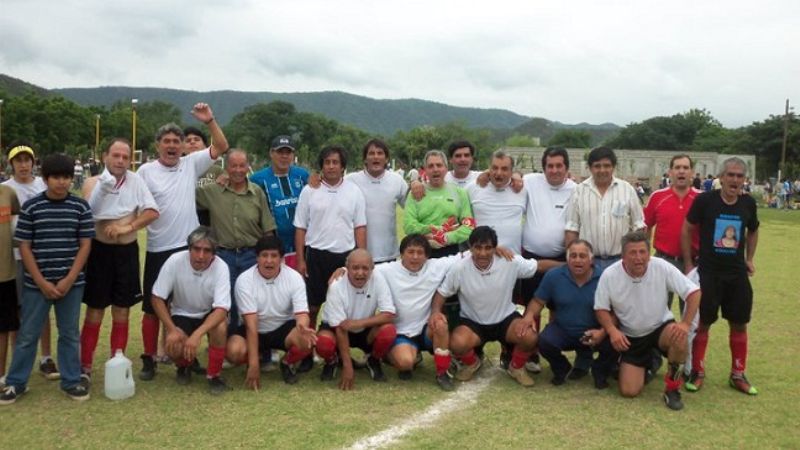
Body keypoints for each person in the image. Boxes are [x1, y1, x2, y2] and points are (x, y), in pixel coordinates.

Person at [137, 103, 229, 381]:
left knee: (186, 305)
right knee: (153, 308)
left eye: (177, 141)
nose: (173, 146)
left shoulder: (190, 164)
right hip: (157, 246)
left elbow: (222, 146)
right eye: (167, 141)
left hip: (188, 246)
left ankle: (184, 358)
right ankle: (150, 358)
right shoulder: (145, 171)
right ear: (157, 146)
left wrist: (210, 120)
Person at [0, 154, 94, 404]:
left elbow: (85, 245)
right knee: (28, 334)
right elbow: (24, 246)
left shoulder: (80, 206)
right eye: (56, 177)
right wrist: (41, 281)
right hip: (35, 285)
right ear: (45, 179)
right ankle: (15, 382)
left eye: (66, 177)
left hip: (71, 285)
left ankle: (71, 380)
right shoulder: (32, 207)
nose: (61, 183)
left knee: (69, 333)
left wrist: (69, 279)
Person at [78, 139, 159, 380]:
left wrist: (128, 226)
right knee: (95, 311)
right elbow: (91, 213)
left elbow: (152, 211)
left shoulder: (136, 181)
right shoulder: (92, 182)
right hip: (99, 253)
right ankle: (85, 367)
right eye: (116, 155)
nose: (121, 160)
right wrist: (106, 192)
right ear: (105, 157)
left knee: (122, 311)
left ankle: (118, 360)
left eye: (125, 157)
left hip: (126, 253)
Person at [594, 231, 700, 411]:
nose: (638, 258)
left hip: (660, 328)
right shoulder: (610, 275)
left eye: (642, 252)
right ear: (623, 256)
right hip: (631, 336)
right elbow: (601, 308)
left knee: (680, 337)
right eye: (632, 253)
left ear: (649, 254)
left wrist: (685, 324)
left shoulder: (661, 267)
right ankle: (649, 363)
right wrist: (612, 331)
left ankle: (672, 389)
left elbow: (694, 292)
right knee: (629, 391)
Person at [682, 157, 760, 395]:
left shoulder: (748, 203)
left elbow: (754, 229)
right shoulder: (705, 201)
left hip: (736, 275)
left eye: (739, 176)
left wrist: (749, 259)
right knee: (703, 324)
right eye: (731, 175)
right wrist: (687, 264)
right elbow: (687, 227)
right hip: (709, 273)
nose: (735, 180)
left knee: (739, 324)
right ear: (721, 177)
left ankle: (737, 374)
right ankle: (697, 371)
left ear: (744, 180)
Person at [432, 226, 545, 387]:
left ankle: (516, 367)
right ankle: (472, 363)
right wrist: (436, 312)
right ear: (470, 248)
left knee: (530, 337)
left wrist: (567, 265)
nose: (483, 253)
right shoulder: (459, 268)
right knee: (456, 343)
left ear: (495, 248)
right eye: (478, 248)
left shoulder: (509, 261)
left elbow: (538, 266)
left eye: (488, 248)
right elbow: (441, 294)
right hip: (473, 322)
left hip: (505, 320)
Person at [196, 149, 276, 336]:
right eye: (233, 166)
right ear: (227, 167)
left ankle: (261, 349)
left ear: (248, 167)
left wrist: (270, 256)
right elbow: (183, 193)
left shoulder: (257, 193)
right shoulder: (212, 191)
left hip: (252, 255)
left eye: (242, 165)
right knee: (225, 302)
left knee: (256, 300)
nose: (238, 170)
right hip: (224, 256)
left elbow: (268, 229)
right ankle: (229, 345)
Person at [225, 235, 316, 388]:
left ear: (281, 258)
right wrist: (254, 365)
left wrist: (302, 326)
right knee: (233, 351)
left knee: (308, 340)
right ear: (257, 258)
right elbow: (251, 325)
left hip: (283, 328)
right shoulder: (244, 280)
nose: (269, 261)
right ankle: (254, 361)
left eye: (274, 256)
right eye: (264, 255)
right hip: (255, 329)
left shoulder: (294, 277)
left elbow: (302, 314)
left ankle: (286, 362)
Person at [149, 227, 231, 395]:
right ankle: (185, 365)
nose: (200, 256)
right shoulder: (174, 261)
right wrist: (171, 330)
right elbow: (157, 298)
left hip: (209, 312)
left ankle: (214, 375)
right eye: (196, 249)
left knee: (220, 326)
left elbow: (221, 309)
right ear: (189, 248)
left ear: (214, 253)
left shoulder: (221, 267)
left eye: (207, 250)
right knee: (172, 345)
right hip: (182, 312)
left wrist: (197, 335)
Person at [526, 239, 617, 388]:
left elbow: (616, 312)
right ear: (567, 259)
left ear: (591, 259)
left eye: (582, 256)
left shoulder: (605, 278)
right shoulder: (554, 276)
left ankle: (599, 371)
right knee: (544, 341)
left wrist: (602, 332)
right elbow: (538, 301)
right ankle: (561, 367)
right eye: (573, 256)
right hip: (563, 330)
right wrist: (529, 316)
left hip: (594, 332)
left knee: (615, 341)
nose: (578, 260)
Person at [294, 145, 366, 332]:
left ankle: (335, 349)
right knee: (312, 307)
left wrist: (361, 256)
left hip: (344, 257)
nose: (331, 166)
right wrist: (301, 260)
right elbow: (300, 227)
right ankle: (308, 349)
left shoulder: (354, 191)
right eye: (327, 162)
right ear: (322, 166)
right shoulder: (309, 190)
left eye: (335, 162)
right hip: (316, 255)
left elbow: (360, 226)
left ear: (343, 167)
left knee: (343, 307)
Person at [2, 145, 58, 380]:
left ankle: (45, 357)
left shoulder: (42, 186)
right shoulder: (6, 189)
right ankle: (19, 359)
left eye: (28, 160)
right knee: (17, 310)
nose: (23, 165)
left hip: (40, 256)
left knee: (40, 308)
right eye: (19, 161)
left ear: (34, 163)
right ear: (11, 163)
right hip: (14, 259)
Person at [519, 147, 576, 373]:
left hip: (561, 258)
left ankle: (552, 350)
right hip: (531, 256)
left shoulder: (577, 189)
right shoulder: (530, 181)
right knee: (531, 306)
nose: (554, 170)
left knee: (557, 306)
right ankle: (530, 352)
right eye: (550, 166)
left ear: (567, 168)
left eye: (558, 166)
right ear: (543, 168)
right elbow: (511, 177)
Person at [376, 234, 459, 391]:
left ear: (427, 256)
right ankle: (391, 355)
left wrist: (497, 249)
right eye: (410, 252)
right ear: (401, 254)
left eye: (420, 253)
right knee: (405, 363)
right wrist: (342, 269)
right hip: (400, 332)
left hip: (425, 329)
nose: (415, 257)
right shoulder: (388, 270)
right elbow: (363, 266)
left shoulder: (435, 266)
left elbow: (463, 256)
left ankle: (442, 372)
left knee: (441, 324)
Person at [315, 249, 397, 391]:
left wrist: (358, 323)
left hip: (363, 327)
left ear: (372, 268)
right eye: (355, 268)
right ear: (347, 268)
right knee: (323, 342)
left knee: (388, 331)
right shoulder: (336, 285)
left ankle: (373, 360)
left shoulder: (378, 277)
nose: (360, 273)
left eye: (365, 268)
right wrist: (348, 367)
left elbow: (389, 314)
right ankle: (333, 360)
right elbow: (340, 328)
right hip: (338, 328)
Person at [565, 146, 645, 272]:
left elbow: (638, 226)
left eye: (607, 166)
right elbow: (571, 229)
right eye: (597, 166)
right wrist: (572, 260)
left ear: (613, 167)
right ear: (590, 168)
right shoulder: (579, 191)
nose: (602, 170)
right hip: (589, 263)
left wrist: (636, 257)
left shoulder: (627, 190)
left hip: (621, 261)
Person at [250, 136, 309, 269]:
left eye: (288, 153)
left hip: (301, 245)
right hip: (273, 246)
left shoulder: (303, 175)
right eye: (280, 152)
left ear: (293, 155)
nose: (284, 156)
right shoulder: (257, 179)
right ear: (271, 153)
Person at [345, 139, 408, 263]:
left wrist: (417, 183)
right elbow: (328, 186)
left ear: (386, 159)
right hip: (357, 253)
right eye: (371, 153)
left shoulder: (397, 181)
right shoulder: (350, 180)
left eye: (380, 153)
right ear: (365, 159)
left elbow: (413, 207)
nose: (376, 157)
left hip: (388, 254)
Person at [404, 150, 475, 258]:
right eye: (431, 166)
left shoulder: (459, 193)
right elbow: (409, 226)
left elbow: (469, 226)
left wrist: (446, 238)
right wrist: (434, 230)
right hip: (422, 251)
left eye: (439, 165)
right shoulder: (415, 193)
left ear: (446, 168)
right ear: (425, 170)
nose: (435, 169)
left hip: (451, 251)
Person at [465, 150, 527, 253]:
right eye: (495, 168)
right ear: (489, 168)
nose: (499, 173)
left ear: (512, 171)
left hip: (513, 261)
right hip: (480, 259)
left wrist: (517, 176)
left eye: (504, 169)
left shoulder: (523, 189)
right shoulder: (472, 188)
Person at [0, 182, 20, 383]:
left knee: (4, 328)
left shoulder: (8, 193)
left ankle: (1, 377)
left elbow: (16, 226)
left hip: (5, 274)